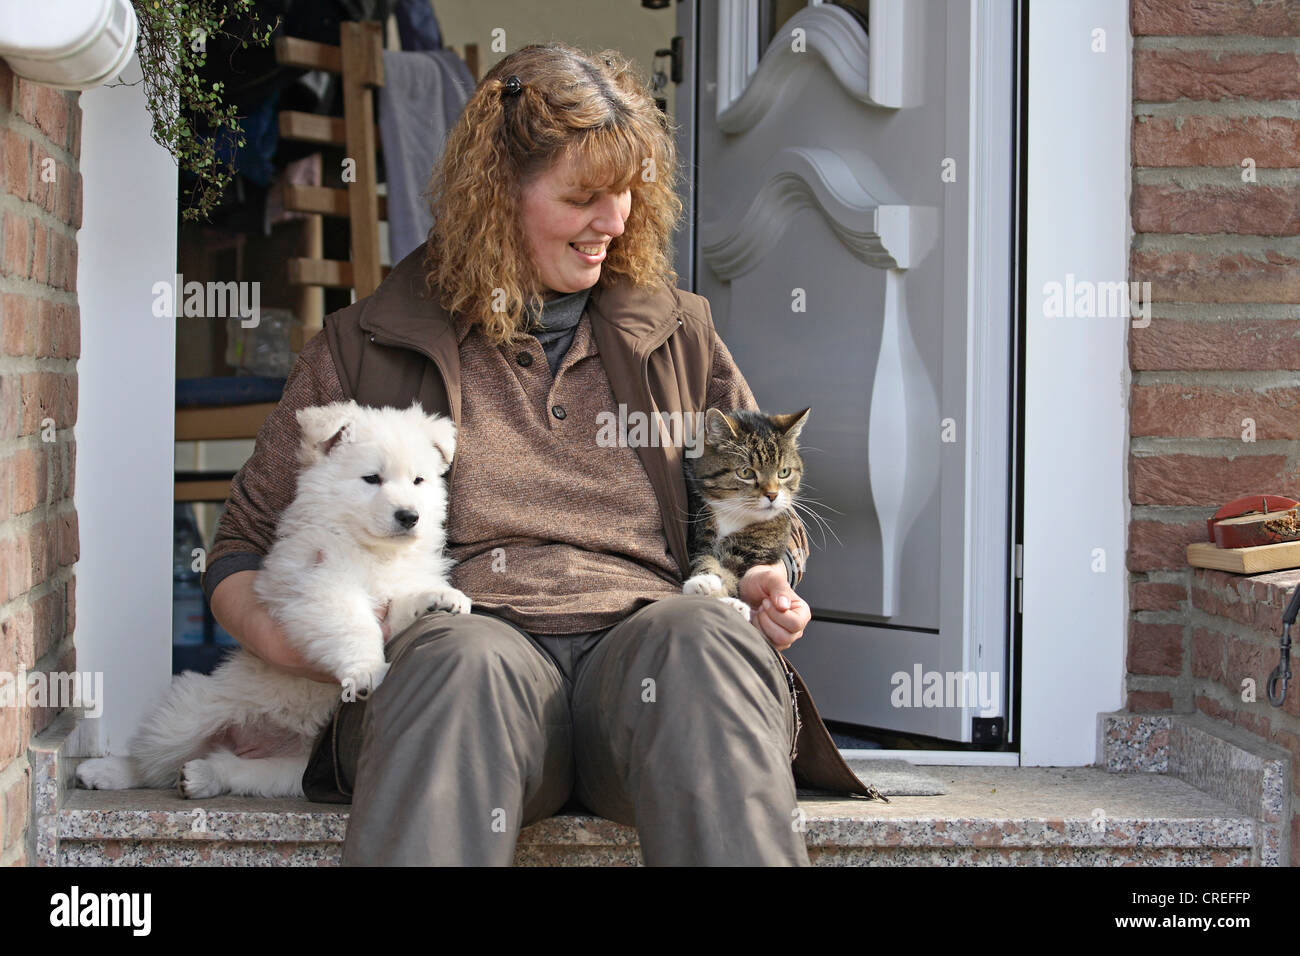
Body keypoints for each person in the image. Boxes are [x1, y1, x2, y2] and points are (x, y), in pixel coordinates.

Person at [203, 43, 868, 867]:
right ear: (495, 193)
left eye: (626, 193)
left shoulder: (679, 332)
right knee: (454, 661)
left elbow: (764, 509)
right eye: (583, 196)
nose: (615, 221)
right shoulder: (366, 341)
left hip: (650, 672)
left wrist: (768, 575)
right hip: (480, 670)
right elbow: (238, 547)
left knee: (703, 640)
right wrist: (331, 644)